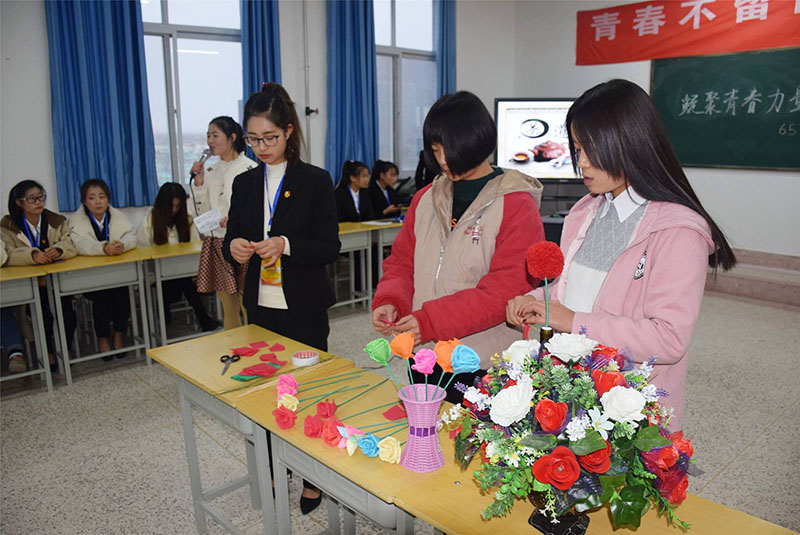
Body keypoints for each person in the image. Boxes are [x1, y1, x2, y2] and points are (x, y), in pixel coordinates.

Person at [506, 79, 737, 430]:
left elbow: (668, 338)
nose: (581, 163)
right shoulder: (585, 211)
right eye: (577, 149)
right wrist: (537, 300)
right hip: (571, 394)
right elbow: (573, 291)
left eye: (591, 149)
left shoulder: (678, 231)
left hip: (629, 411)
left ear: (628, 143)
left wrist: (573, 321)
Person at [372, 91, 545, 402]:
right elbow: (401, 264)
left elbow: (505, 290)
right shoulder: (424, 200)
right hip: (424, 355)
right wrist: (392, 300)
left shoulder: (516, 204)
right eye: (435, 150)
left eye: (449, 150)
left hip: (482, 361)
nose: (443, 160)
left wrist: (431, 321)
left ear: (477, 141)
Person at [222, 82, 339, 514]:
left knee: (309, 391)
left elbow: (329, 247)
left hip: (303, 307)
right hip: (261, 307)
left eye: (269, 138)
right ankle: (275, 466)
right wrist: (233, 247)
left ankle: (313, 476)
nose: (261, 148)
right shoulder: (245, 182)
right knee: (271, 393)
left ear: (289, 131)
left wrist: (286, 244)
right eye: (253, 139)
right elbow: (233, 235)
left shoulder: (315, 180)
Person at [1, 180, 77, 372]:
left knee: (67, 313)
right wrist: (32, 255)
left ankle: (65, 347)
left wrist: (59, 250)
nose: (38, 202)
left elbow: (70, 243)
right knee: (42, 315)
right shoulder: (8, 226)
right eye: (32, 199)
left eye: (40, 197)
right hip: (30, 284)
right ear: (19, 203)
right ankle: (48, 352)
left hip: (55, 280)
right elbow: (8, 253)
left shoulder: (56, 220)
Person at [189, 116, 257, 330]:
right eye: (208, 136)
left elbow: (257, 209)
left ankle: (256, 344)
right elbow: (199, 211)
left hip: (244, 242)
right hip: (217, 241)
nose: (210, 141)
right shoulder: (210, 171)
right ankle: (235, 345)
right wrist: (199, 184)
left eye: (215, 135)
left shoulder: (250, 168)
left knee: (249, 301)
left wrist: (236, 220)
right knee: (228, 305)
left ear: (232, 137)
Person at [69, 178, 137, 360]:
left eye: (102, 196)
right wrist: (103, 248)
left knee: (122, 293)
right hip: (91, 276)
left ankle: (118, 334)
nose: (98, 202)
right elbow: (79, 244)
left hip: (117, 273)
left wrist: (122, 245)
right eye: (92, 198)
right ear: (84, 201)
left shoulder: (117, 217)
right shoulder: (76, 222)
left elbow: (131, 236)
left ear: (108, 198)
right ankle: (102, 337)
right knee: (102, 296)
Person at [138, 182, 219, 332]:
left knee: (185, 280)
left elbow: (195, 247)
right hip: (159, 275)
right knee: (181, 283)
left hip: (185, 272)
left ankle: (196, 319)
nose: (174, 210)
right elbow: (143, 253)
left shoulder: (186, 220)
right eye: (171, 206)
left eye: (178, 206)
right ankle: (202, 318)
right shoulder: (149, 222)